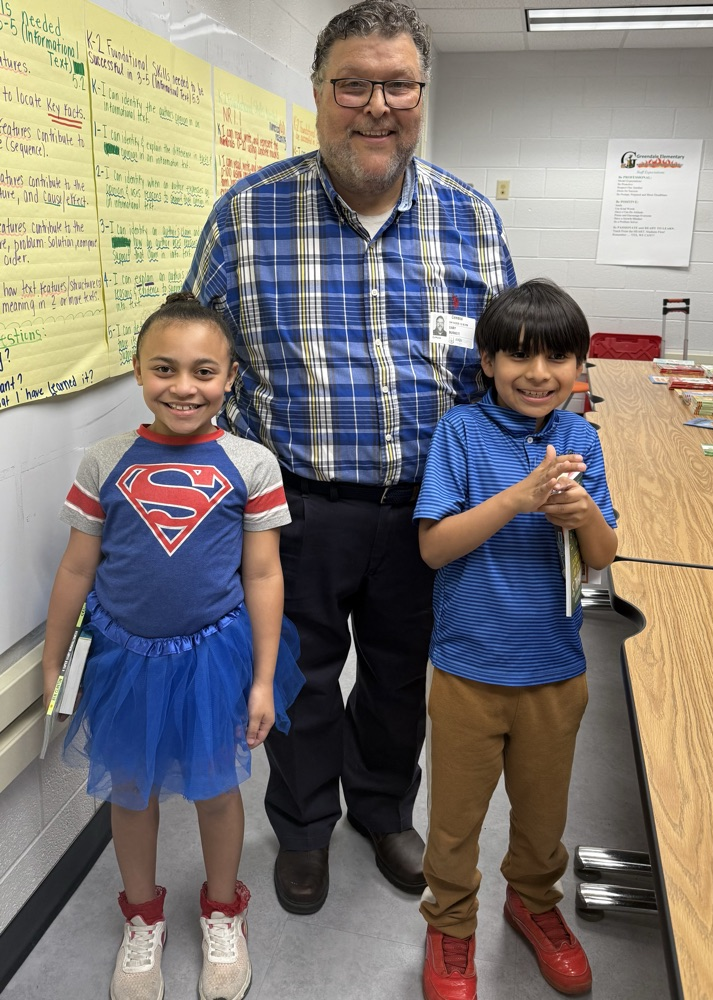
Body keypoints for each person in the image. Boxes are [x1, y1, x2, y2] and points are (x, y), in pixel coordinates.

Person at [185, 0, 516, 916]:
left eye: (398, 84)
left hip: (427, 506)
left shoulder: (472, 222)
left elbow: (503, 368)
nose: (378, 105)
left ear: (420, 92)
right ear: (320, 93)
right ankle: (301, 830)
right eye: (354, 85)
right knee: (301, 678)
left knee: (401, 677)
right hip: (295, 507)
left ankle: (381, 812)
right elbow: (197, 364)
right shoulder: (246, 219)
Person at [41, 294, 304, 1000]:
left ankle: (223, 909)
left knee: (218, 790)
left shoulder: (250, 464)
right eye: (164, 368)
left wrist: (262, 677)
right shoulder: (105, 460)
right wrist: (51, 659)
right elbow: (76, 568)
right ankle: (142, 916)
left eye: (203, 371)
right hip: (125, 658)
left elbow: (263, 572)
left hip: (215, 659)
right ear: (137, 370)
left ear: (229, 378)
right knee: (131, 792)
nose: (183, 387)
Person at [414, 279, 618, 1000]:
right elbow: (435, 548)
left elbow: (602, 554)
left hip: (556, 671)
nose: (539, 374)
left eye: (558, 358)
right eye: (519, 357)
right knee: (455, 820)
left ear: (579, 366)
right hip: (469, 669)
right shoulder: (460, 433)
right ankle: (451, 922)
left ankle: (534, 904)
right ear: (489, 363)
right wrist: (521, 499)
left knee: (543, 815)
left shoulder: (581, 438)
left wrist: (582, 512)